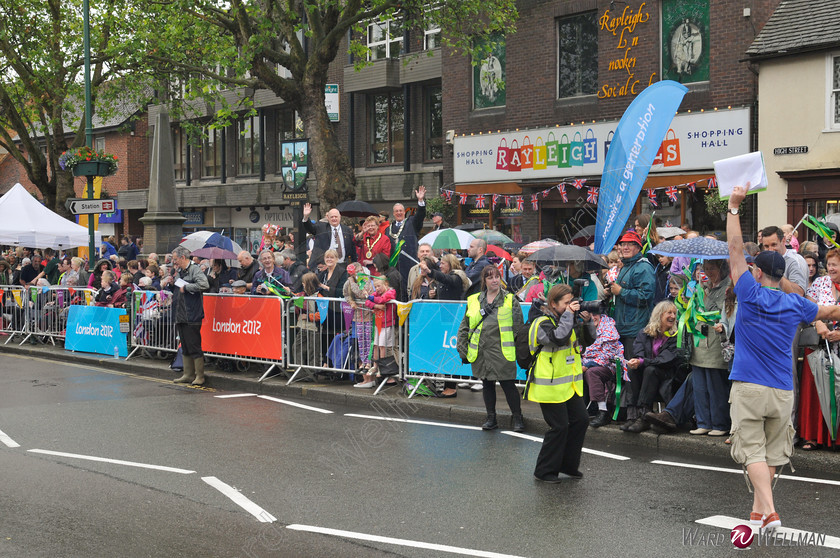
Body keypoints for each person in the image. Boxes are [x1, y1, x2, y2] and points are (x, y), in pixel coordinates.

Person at [725, 185, 840, 532]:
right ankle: (758, 512)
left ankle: (771, 511)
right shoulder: (796, 304)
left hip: (749, 386)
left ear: (757, 272)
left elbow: (733, 249)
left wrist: (733, 208)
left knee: (753, 452)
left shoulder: (748, 292)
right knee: (773, 453)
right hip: (782, 391)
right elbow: (832, 310)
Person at [525, 284, 588, 482]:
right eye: (567, 303)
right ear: (553, 303)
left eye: (573, 302)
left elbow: (588, 341)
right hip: (549, 386)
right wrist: (569, 316)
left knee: (581, 420)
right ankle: (544, 471)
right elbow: (558, 338)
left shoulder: (567, 319)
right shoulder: (541, 322)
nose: (571, 306)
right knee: (559, 427)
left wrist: (587, 322)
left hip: (569, 384)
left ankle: (568, 466)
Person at [457, 265, 524, 431]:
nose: (494, 280)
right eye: (490, 277)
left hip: (502, 351)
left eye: (497, 277)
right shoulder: (473, 300)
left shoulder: (510, 299)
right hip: (481, 351)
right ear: (484, 281)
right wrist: (462, 346)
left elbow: (518, 327)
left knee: (508, 385)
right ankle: (491, 418)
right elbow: (465, 325)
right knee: (487, 384)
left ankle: (517, 418)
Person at [609, 230, 656, 422]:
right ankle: (624, 410)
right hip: (623, 327)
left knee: (633, 372)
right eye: (623, 244)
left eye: (630, 244)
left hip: (636, 329)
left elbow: (646, 297)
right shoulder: (627, 266)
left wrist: (621, 291)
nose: (625, 247)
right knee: (625, 370)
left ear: (638, 247)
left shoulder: (643, 267)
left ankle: (634, 412)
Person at [622, 301, 685, 433]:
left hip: (668, 374)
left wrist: (642, 362)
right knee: (633, 371)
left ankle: (644, 415)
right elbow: (638, 352)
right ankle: (633, 415)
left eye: (674, 313)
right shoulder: (644, 333)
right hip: (648, 372)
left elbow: (665, 360)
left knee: (650, 370)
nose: (673, 316)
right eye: (669, 313)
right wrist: (636, 361)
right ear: (659, 315)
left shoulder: (676, 335)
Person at [800, 248, 840, 450]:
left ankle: (837, 438)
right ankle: (812, 436)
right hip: (819, 345)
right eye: (829, 264)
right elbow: (807, 308)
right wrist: (818, 324)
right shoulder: (820, 283)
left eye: (835, 264)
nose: (830, 268)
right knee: (815, 392)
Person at [688, 259, 732, 437]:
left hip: (715, 339)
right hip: (699, 339)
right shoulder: (702, 287)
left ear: (721, 268)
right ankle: (703, 421)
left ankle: (720, 423)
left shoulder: (728, 288)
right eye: (705, 269)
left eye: (712, 268)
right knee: (700, 385)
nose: (708, 272)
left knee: (715, 386)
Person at [170, 246, 210, 386]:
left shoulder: (195, 269)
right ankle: (187, 374)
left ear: (183, 257)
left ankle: (200, 376)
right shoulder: (180, 271)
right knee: (185, 345)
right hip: (181, 313)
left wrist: (187, 287)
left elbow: (204, 284)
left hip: (192, 313)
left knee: (194, 344)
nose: (174, 262)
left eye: (175, 259)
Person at [581, 309, 624, 428]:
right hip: (585, 364)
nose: (592, 317)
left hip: (608, 366)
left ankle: (603, 412)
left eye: (595, 314)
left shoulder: (609, 329)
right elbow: (579, 350)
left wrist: (586, 366)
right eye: (589, 314)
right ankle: (579, 409)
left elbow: (606, 356)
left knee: (592, 372)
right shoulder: (584, 327)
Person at [356, 275, 398, 388]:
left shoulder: (391, 292)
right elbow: (367, 303)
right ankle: (375, 365)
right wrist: (377, 306)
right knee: (375, 345)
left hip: (387, 323)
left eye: (379, 286)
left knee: (382, 346)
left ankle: (382, 367)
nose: (377, 289)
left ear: (386, 284)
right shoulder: (377, 294)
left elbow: (383, 299)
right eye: (376, 287)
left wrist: (370, 298)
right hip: (378, 323)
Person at [387, 185, 426, 282]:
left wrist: (420, 201)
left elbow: (420, 216)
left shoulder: (412, 222)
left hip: (410, 264)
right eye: (397, 211)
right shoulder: (388, 229)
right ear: (394, 213)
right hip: (395, 266)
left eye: (401, 211)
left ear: (404, 212)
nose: (399, 213)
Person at [302, 203, 357, 268]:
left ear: (340, 217)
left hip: (343, 265)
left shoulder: (347, 230)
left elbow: (352, 248)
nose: (334, 219)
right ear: (328, 218)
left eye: (336, 216)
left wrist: (354, 263)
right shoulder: (321, 227)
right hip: (324, 265)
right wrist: (306, 217)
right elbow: (310, 228)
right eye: (332, 217)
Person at [343, 264, 375, 375]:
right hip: (358, 315)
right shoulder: (348, 282)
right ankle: (363, 361)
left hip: (369, 313)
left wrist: (352, 282)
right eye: (356, 271)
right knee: (360, 339)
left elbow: (361, 294)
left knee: (368, 338)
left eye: (361, 270)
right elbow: (346, 294)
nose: (359, 273)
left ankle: (368, 362)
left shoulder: (366, 280)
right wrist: (351, 302)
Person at [760, 225, 808, 296]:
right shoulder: (764, 260)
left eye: (774, 245)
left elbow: (799, 294)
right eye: (766, 246)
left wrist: (776, 273)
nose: (770, 250)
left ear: (783, 241)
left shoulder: (795, 260)